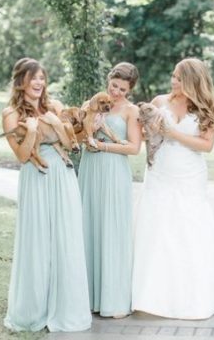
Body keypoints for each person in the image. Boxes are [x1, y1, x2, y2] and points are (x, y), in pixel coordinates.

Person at [131, 58, 214, 319]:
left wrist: (171, 132)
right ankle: (151, 295)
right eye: (173, 75)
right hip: (160, 171)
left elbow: (206, 145)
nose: (173, 81)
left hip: (189, 173)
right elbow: (147, 138)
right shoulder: (158, 102)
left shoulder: (208, 106)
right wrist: (149, 133)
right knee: (157, 228)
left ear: (191, 80)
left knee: (190, 228)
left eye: (178, 77)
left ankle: (195, 293)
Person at [2, 58, 91, 333]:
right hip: (36, 178)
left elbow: (70, 144)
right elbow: (22, 156)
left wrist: (55, 121)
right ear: (21, 81)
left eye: (42, 78)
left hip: (62, 177)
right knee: (37, 239)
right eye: (33, 78)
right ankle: (33, 310)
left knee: (65, 237)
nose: (39, 83)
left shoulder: (55, 107)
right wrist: (30, 131)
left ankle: (65, 308)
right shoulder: (10, 114)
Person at [79, 62, 142, 318]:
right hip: (90, 169)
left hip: (115, 172)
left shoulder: (131, 111)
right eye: (114, 86)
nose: (116, 93)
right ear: (109, 80)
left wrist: (103, 147)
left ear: (130, 90)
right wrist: (87, 136)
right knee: (89, 226)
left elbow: (134, 148)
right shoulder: (91, 103)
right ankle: (86, 296)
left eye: (122, 89)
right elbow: (77, 134)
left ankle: (113, 298)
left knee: (112, 229)